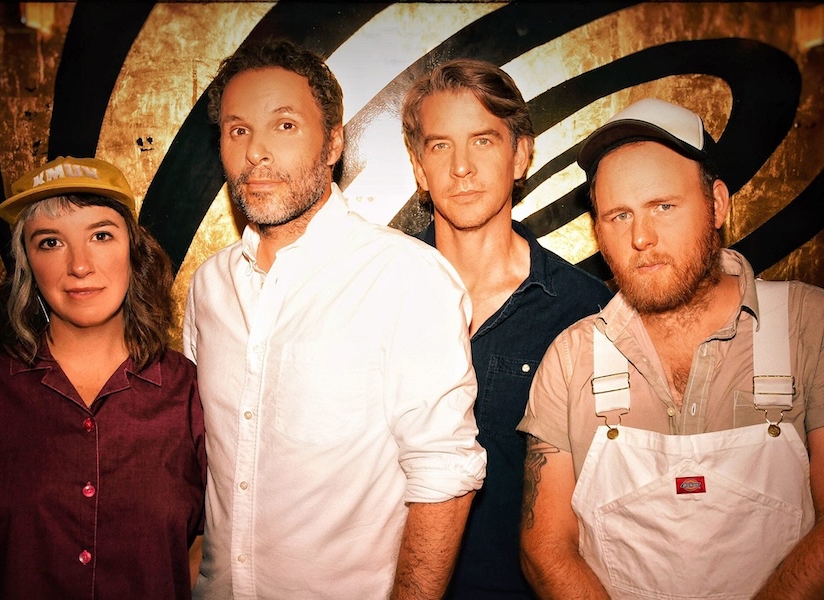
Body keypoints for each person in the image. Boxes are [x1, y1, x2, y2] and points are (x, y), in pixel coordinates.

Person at [182, 39, 487, 600]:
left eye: (285, 125)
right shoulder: (210, 287)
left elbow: (445, 475)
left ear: (333, 143)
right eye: (237, 129)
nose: (256, 152)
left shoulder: (406, 277)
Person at [518, 98, 824, 599]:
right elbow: (546, 547)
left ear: (718, 204)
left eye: (663, 206)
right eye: (618, 215)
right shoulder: (571, 359)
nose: (641, 237)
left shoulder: (808, 328)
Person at [0, 156, 207, 599]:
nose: (79, 265)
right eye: (51, 242)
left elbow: (207, 551)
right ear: (27, 263)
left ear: (134, 250)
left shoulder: (187, 390)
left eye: (100, 235)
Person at [400, 59, 612, 599]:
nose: (462, 168)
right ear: (419, 168)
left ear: (521, 154)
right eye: (440, 146)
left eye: (484, 141)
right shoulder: (376, 296)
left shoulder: (586, 312)